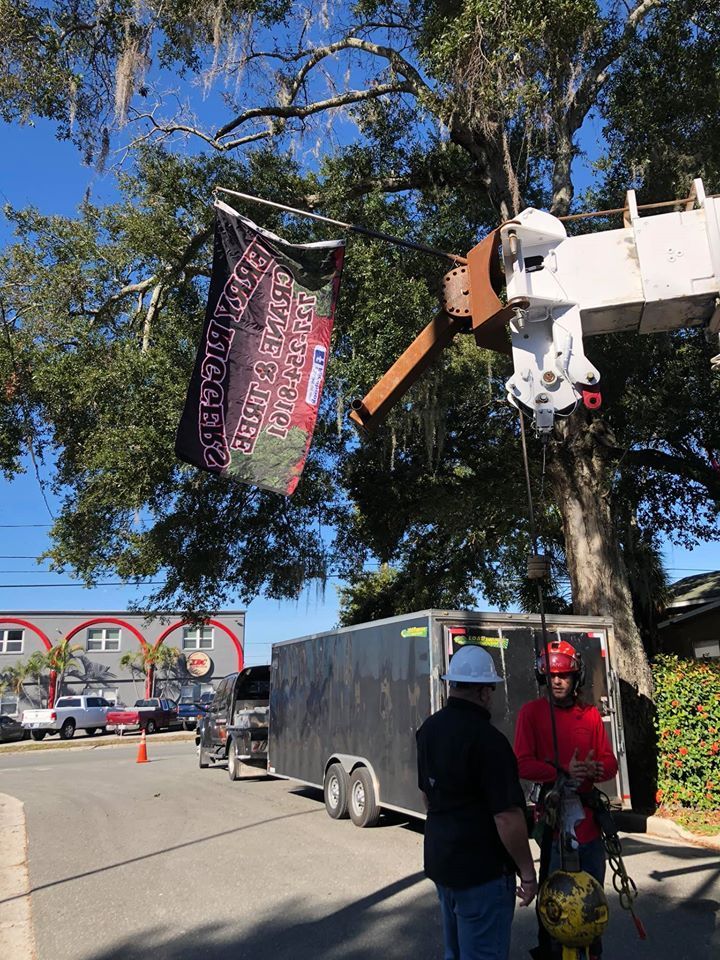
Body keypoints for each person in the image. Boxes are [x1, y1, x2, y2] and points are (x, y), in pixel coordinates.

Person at [416, 644, 538, 960]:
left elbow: (427, 797)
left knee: (454, 953)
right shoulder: (490, 741)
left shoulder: (428, 730)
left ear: (452, 685)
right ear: (485, 693)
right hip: (482, 873)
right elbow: (507, 818)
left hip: (443, 864)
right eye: (491, 691)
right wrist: (527, 871)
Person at [513, 639, 619, 960]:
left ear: (577, 678)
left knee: (591, 902)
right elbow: (521, 762)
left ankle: (592, 953)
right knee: (555, 905)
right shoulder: (531, 713)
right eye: (552, 676)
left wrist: (598, 768)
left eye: (565, 675)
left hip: (589, 828)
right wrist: (559, 769)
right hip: (554, 826)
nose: (558, 681)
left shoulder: (589, 716)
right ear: (544, 678)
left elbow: (610, 761)